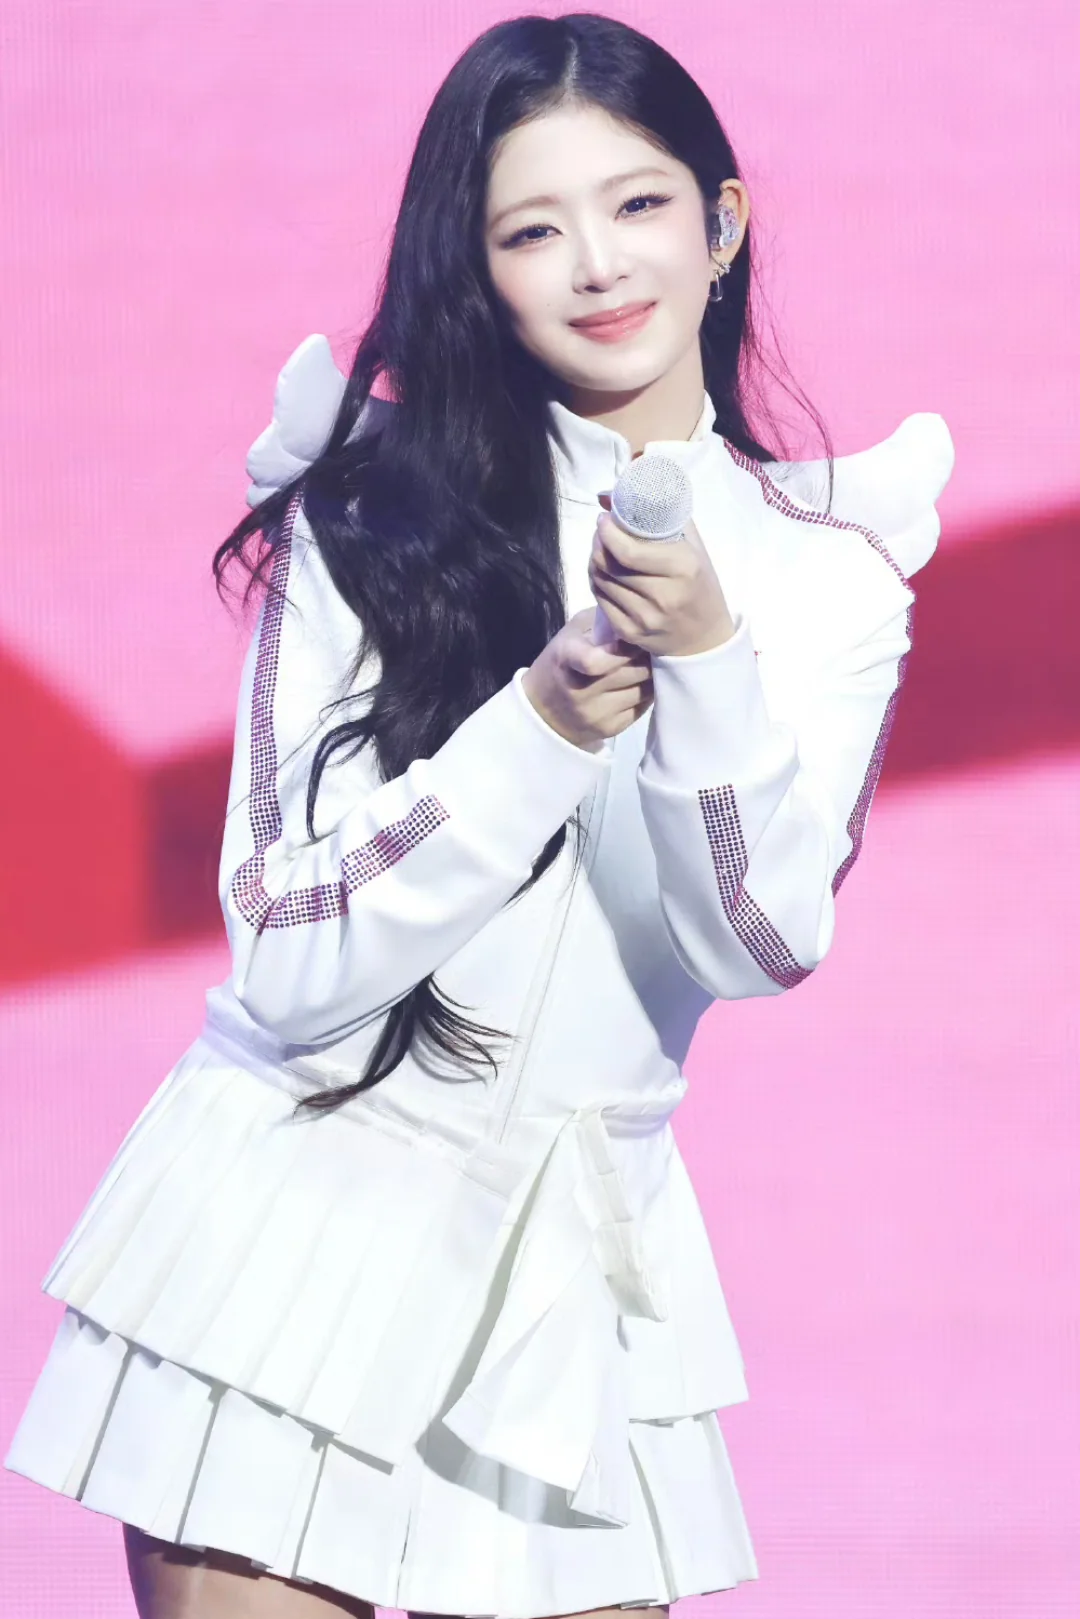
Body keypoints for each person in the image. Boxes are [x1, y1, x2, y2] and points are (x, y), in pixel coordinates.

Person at [4, 12, 954, 1619]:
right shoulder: (371, 514)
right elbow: (286, 950)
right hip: (290, 1233)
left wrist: (707, 657)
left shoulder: (827, 577)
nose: (599, 262)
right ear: (480, 268)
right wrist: (540, 726)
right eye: (533, 228)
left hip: (580, 1287)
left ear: (722, 223)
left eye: (638, 204)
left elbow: (758, 938)